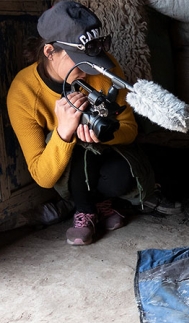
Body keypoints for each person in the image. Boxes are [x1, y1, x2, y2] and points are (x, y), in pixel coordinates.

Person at [7, 1, 173, 246]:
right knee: (75, 144)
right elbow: (42, 177)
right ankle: (84, 208)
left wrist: (104, 134)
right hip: (68, 172)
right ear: (50, 52)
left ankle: (102, 202)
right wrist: (64, 133)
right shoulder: (24, 93)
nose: (88, 70)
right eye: (79, 60)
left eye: (92, 59)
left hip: (106, 159)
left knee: (122, 176)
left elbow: (129, 128)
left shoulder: (103, 69)